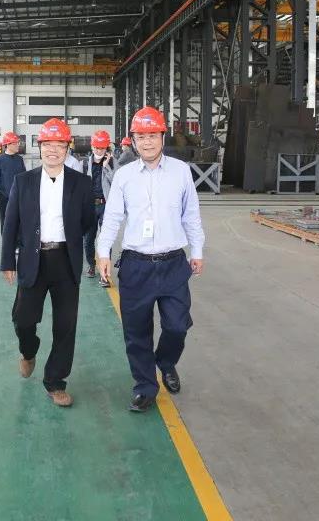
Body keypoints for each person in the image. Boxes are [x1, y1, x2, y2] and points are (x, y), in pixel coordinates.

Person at [96, 106, 204, 413]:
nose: (147, 142)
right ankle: (145, 386)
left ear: (162, 137)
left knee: (177, 326)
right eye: (141, 137)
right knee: (136, 332)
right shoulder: (124, 176)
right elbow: (112, 217)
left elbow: (191, 215)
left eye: (152, 135)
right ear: (133, 140)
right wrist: (103, 253)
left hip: (173, 264)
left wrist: (197, 251)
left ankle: (166, 362)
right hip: (136, 265)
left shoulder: (180, 172)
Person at [0, 118, 93, 408]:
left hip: (65, 260)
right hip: (33, 259)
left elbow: (88, 221)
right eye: (47, 144)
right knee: (23, 318)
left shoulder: (81, 183)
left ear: (68, 148)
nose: (53, 150)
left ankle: (55, 381)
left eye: (59, 144)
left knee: (65, 325)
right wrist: (7, 261)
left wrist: (72, 242)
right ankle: (29, 352)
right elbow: (11, 224)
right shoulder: (23, 182)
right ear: (39, 147)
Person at [82, 130, 116, 285]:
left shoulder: (112, 162)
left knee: (105, 239)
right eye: (96, 147)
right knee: (88, 239)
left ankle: (105, 274)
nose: (98, 151)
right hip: (89, 206)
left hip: (105, 206)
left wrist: (106, 167)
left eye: (101, 148)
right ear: (92, 146)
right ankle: (91, 265)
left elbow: (116, 182)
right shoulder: (85, 163)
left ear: (106, 148)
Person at [0, 130, 26, 228]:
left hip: (18, 197)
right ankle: (5, 238)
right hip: (4, 198)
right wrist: (0, 194)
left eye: (18, 143)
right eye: (15, 143)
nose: (18, 145)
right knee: (5, 222)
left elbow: (24, 177)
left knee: (18, 222)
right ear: (8, 145)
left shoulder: (19, 159)